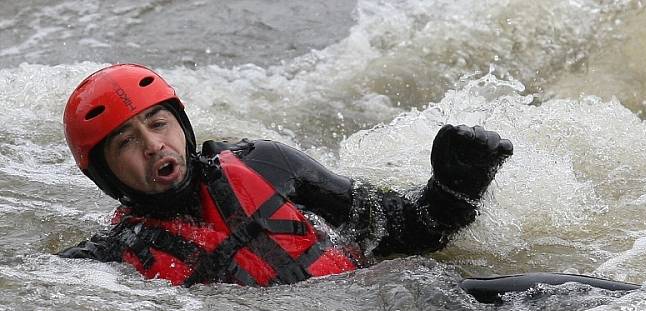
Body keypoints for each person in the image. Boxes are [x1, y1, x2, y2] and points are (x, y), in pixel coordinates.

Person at [58, 63, 514, 287]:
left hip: (387, 300)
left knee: (572, 295)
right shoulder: (110, 261)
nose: (153, 145)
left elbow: (401, 230)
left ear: (183, 126)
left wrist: (455, 187)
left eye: (158, 124)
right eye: (126, 142)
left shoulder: (267, 164)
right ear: (104, 175)